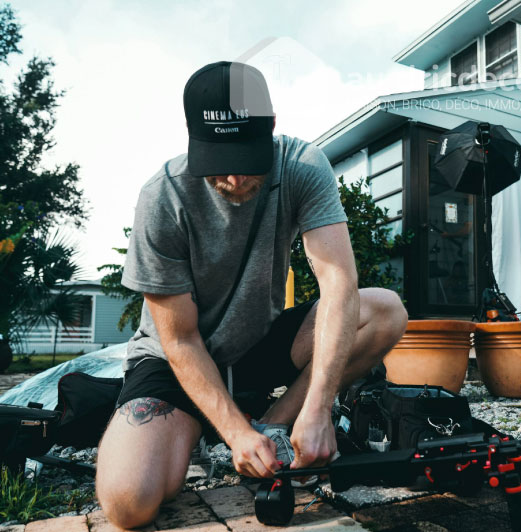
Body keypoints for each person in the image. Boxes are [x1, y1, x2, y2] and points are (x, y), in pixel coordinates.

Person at [95, 61, 408, 529]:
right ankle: (212, 428)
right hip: (176, 361)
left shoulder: (302, 165)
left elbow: (339, 282)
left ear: (272, 127)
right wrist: (232, 432)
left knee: (383, 309)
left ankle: (274, 426)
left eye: (248, 159)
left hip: (259, 342)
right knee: (128, 504)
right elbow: (179, 340)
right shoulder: (163, 198)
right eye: (222, 163)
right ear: (193, 136)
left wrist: (318, 409)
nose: (237, 180)